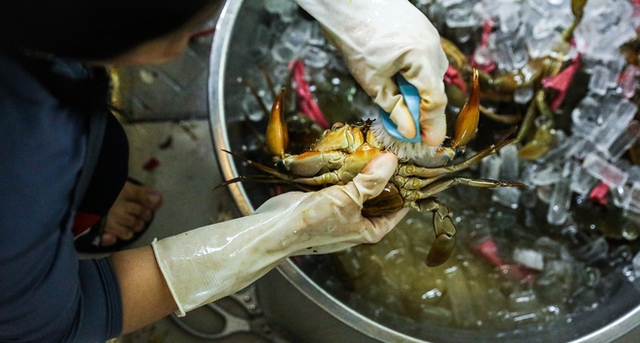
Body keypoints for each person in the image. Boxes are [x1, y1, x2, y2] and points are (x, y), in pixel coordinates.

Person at [0, 0, 448, 342]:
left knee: (99, 163)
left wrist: (355, 11)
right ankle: (75, 218)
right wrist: (274, 234)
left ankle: (91, 193)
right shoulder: (22, 177)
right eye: (198, 21)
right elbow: (58, 326)